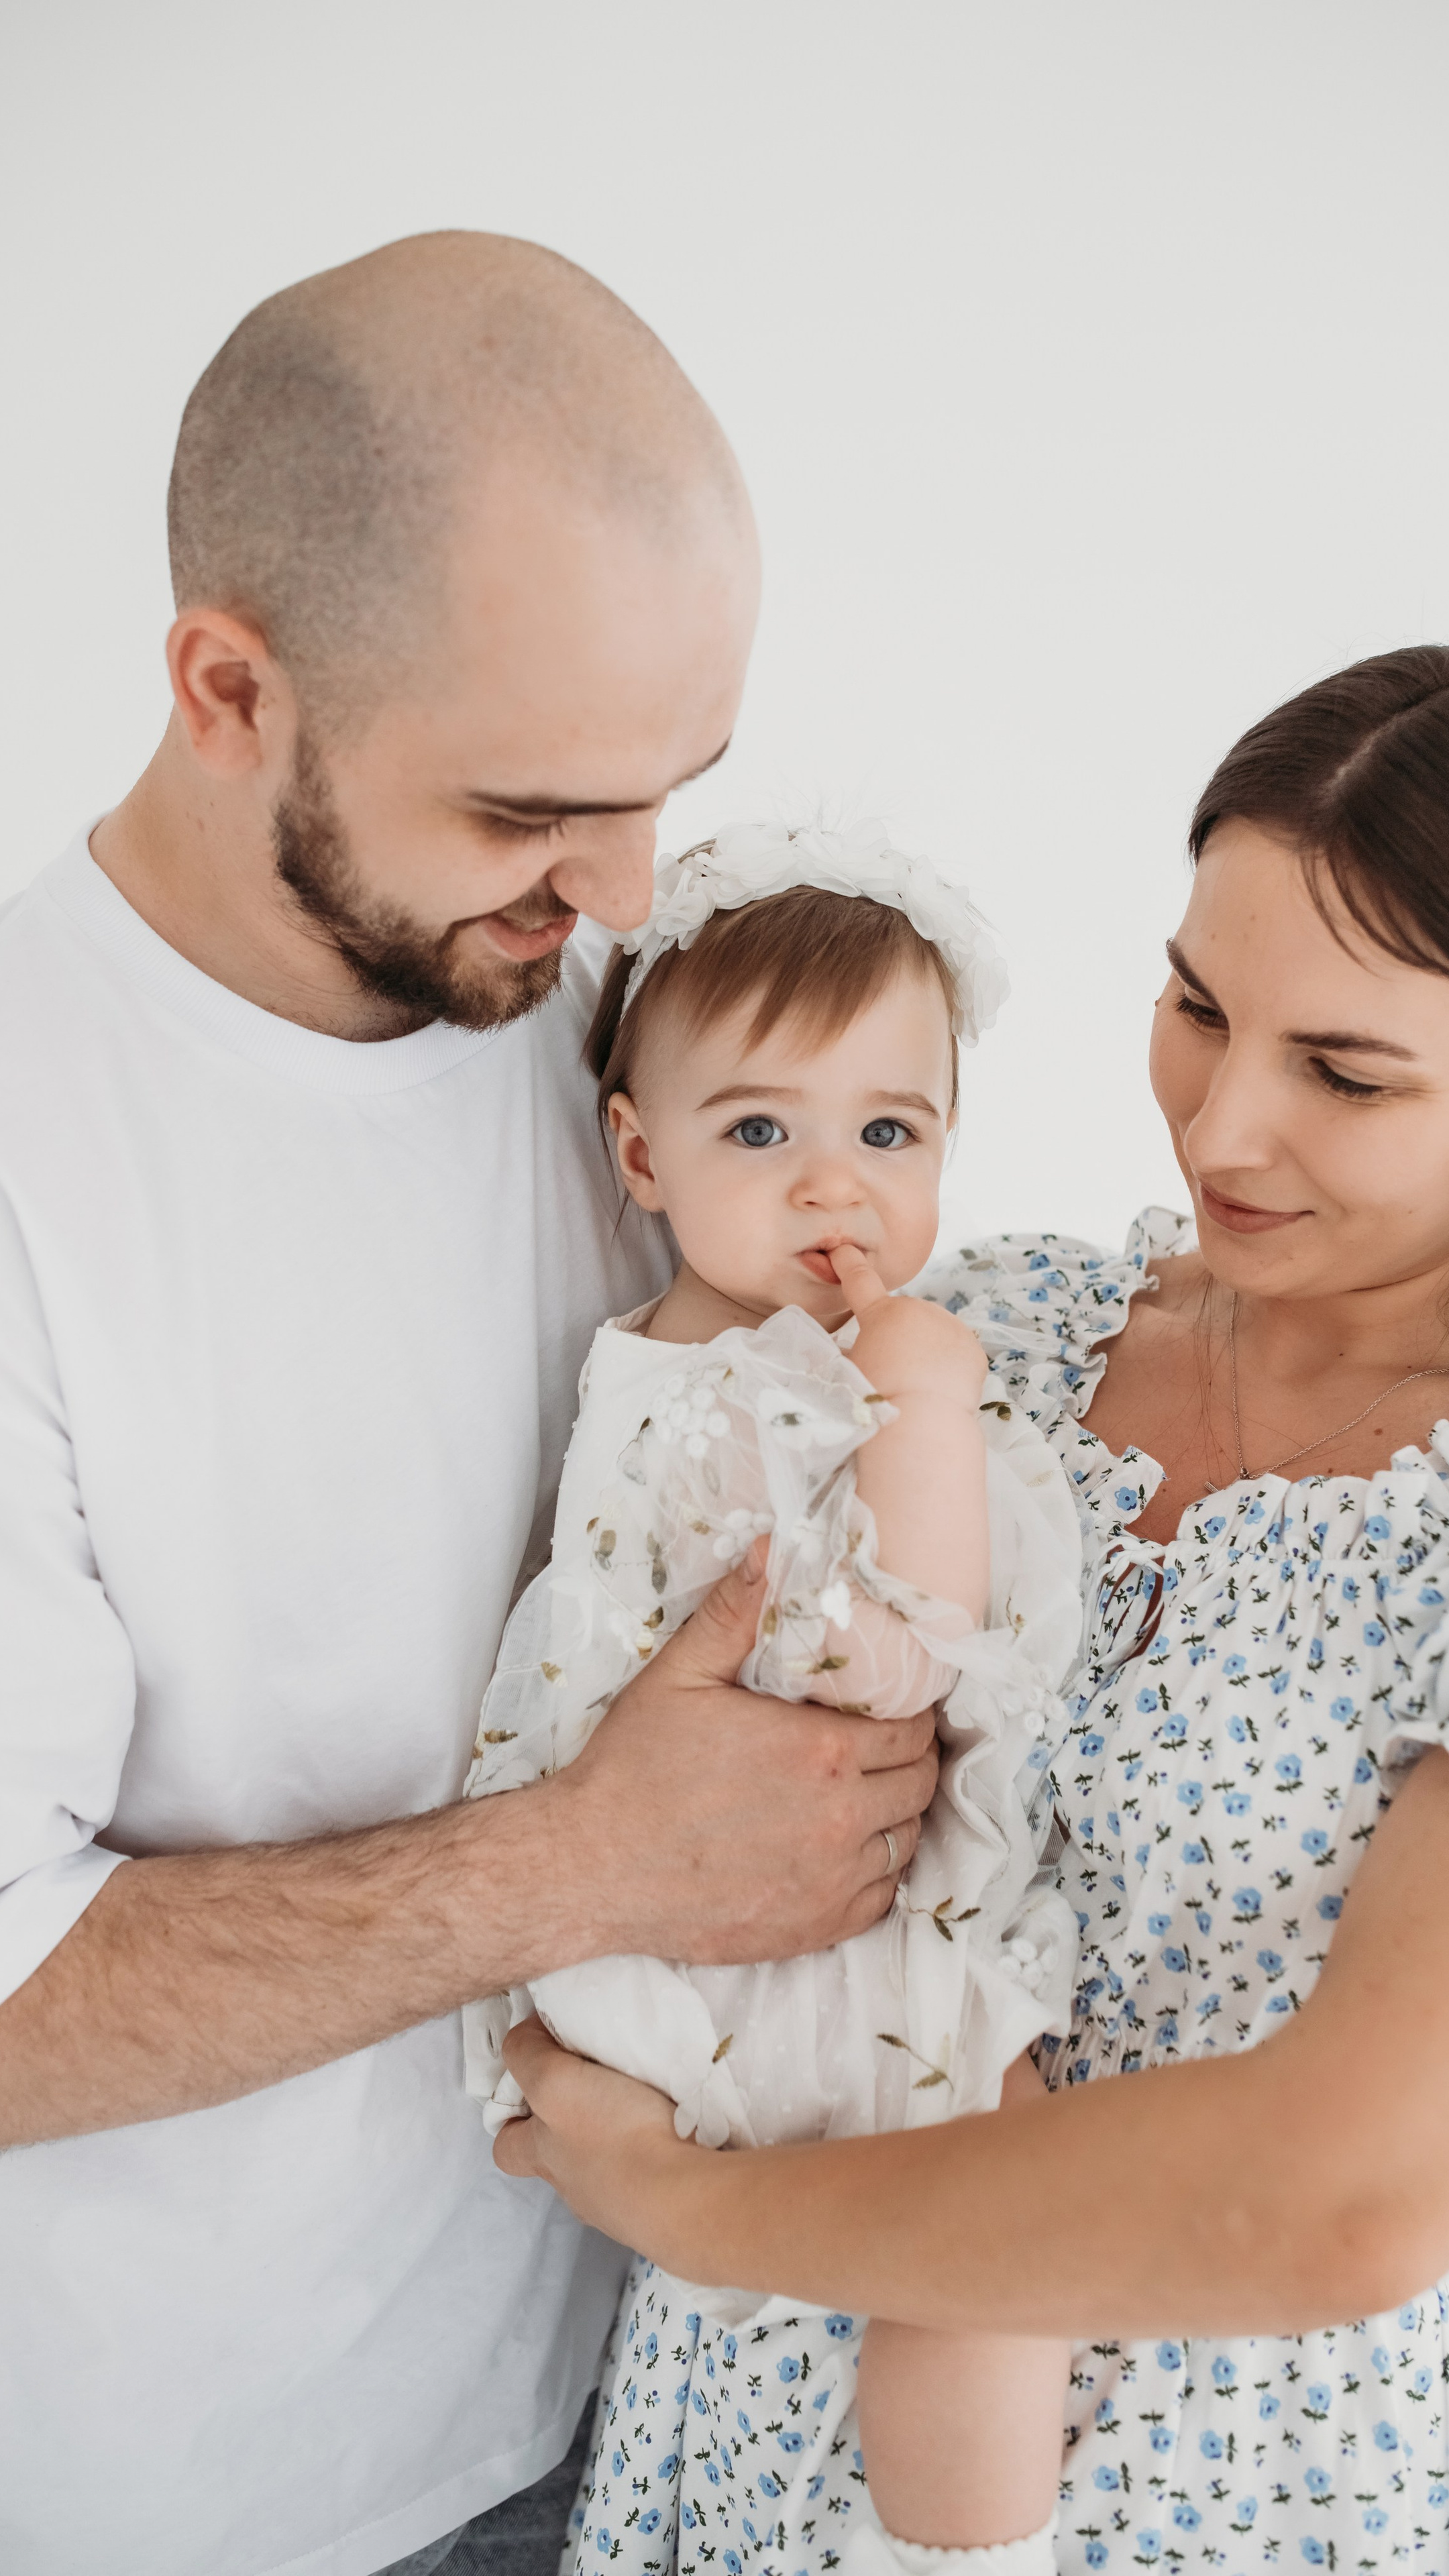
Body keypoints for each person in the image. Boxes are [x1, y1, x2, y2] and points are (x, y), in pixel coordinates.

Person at [0, 234, 941, 2576]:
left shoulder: (601, 1007)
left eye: (668, 787)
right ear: (230, 689)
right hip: (237, 2510)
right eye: (528, 812)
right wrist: (586, 1859)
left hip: (669, 2392)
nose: (622, 891)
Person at [495, 644, 1449, 2576]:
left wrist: (684, 2206)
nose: (1220, 1132)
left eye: (1346, 1074)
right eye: (1199, 1008)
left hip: (1218, 2503)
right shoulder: (1000, 1330)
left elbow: (1348, 2198)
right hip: (732, 2455)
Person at [461, 820, 1085, 2576]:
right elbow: (897, 1650)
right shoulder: (801, 1377)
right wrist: (929, 1389)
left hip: (675, 1950)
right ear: (638, 1155)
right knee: (1002, 2199)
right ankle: (963, 2553)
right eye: (764, 1133)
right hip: (779, 1931)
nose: (837, 1188)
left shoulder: (639, 1356)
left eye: (890, 1132)